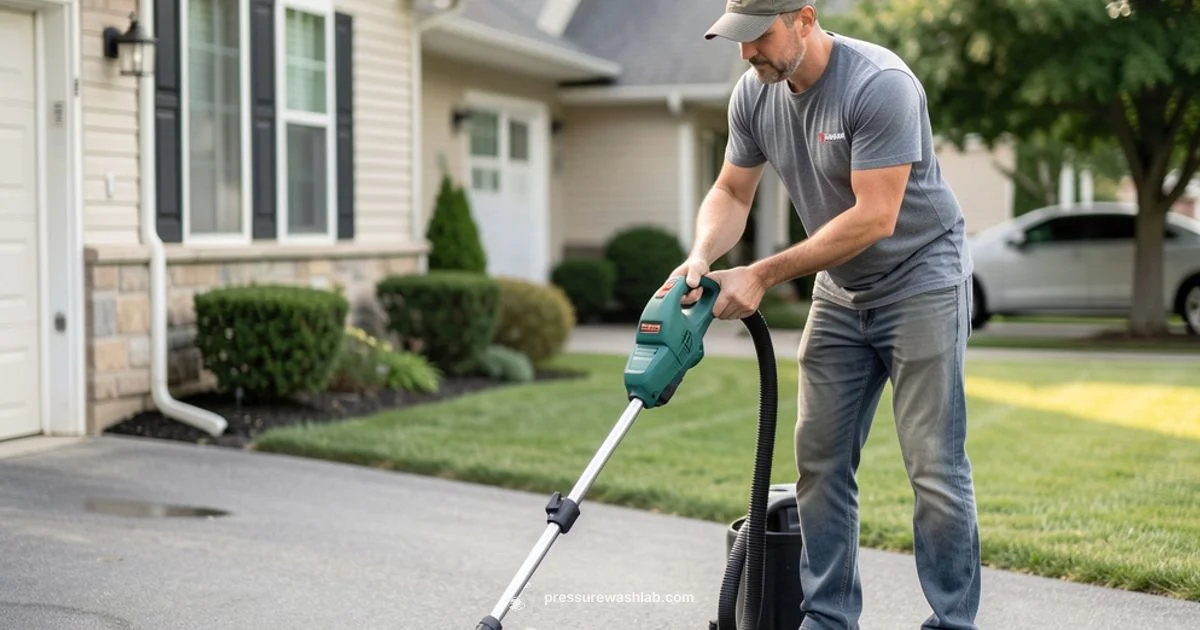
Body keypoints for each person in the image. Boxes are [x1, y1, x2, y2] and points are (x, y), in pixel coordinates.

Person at [671, 1, 982, 629]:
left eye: (758, 36)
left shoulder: (878, 85)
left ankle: (952, 623)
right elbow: (732, 190)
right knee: (819, 460)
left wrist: (760, 273)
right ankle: (829, 618)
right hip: (841, 292)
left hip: (921, 277)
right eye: (738, 40)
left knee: (932, 466)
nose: (746, 53)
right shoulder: (754, 95)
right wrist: (702, 256)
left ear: (804, 19)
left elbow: (876, 217)